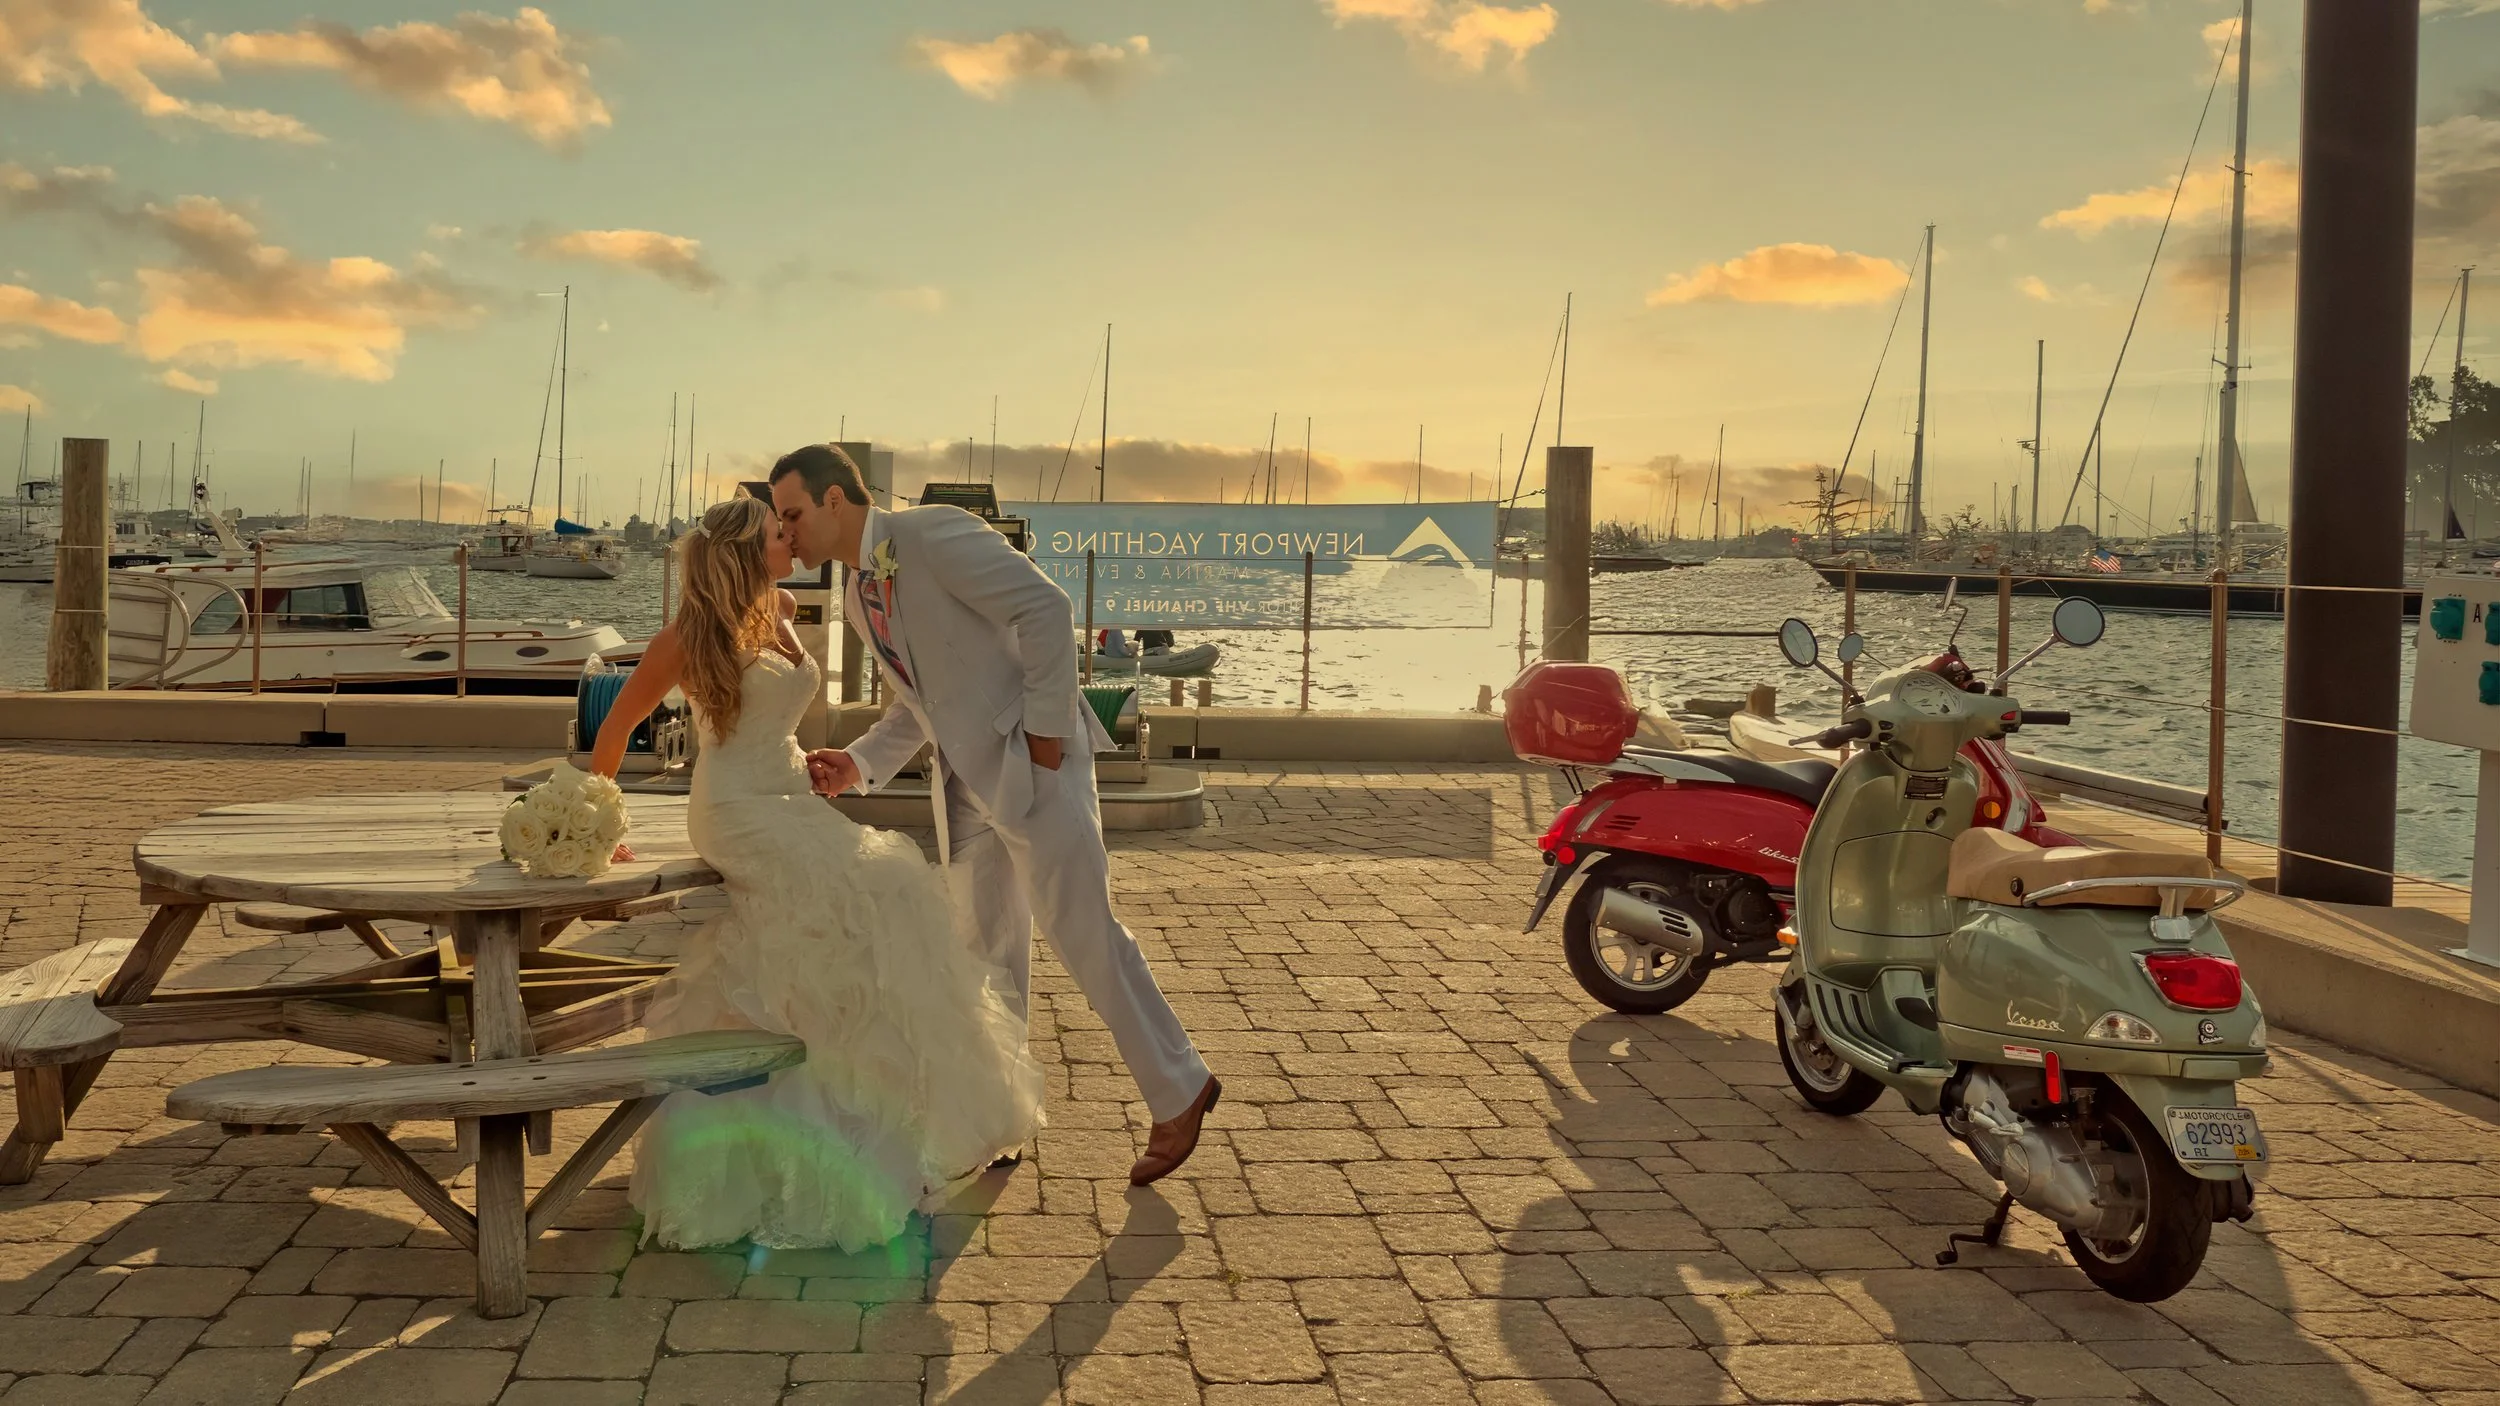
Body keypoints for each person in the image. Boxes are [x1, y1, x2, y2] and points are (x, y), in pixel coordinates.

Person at [589, 496, 1043, 1250]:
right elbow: (618, 722)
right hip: (736, 808)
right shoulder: (691, 632)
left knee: (891, 891)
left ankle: (903, 1125)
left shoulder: (786, 604)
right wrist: (605, 824)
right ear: (745, 550)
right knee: (850, 907)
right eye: (777, 532)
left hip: (791, 793)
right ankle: (830, 1134)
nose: (791, 538)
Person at [769, 443, 1220, 1186]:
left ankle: (1181, 1088)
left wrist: (1045, 736)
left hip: (1029, 765)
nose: (789, 533)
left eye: (792, 514)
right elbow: (921, 700)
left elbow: (1045, 608)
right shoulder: (857, 593)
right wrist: (858, 762)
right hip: (966, 787)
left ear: (835, 502)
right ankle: (999, 1117)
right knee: (987, 953)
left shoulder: (929, 533)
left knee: (1084, 933)